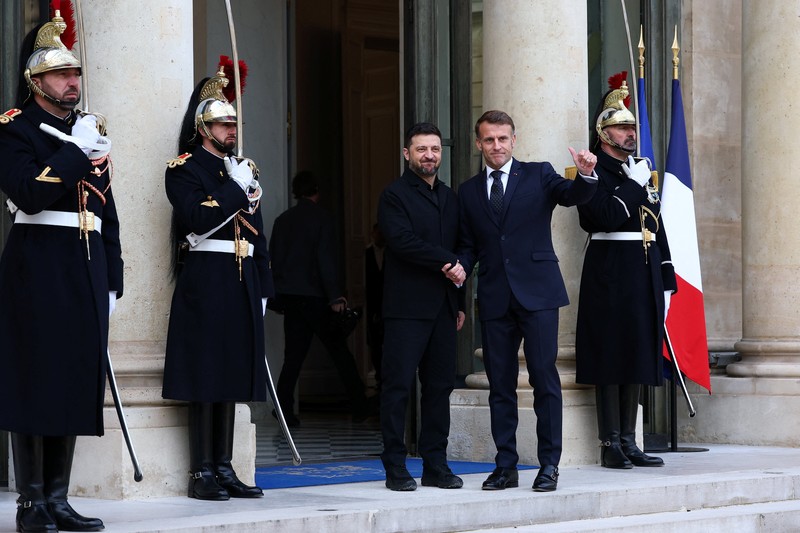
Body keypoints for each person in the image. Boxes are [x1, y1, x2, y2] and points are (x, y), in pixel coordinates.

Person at [0, 11, 121, 532]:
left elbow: (106, 210)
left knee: (74, 376)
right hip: (38, 260)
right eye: (61, 74)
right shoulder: (14, 129)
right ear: (36, 81)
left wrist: (114, 274)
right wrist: (74, 151)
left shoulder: (89, 130)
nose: (73, 81)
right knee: (35, 379)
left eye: (75, 74)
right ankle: (31, 503)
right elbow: (28, 192)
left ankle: (57, 496)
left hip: (86, 261)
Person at [457, 110, 597, 492]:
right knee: (499, 386)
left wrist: (584, 173)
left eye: (503, 139)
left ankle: (549, 464)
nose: (496, 146)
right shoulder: (468, 191)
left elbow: (571, 196)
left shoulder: (538, 174)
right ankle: (506, 466)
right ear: (478, 144)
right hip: (496, 297)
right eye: (489, 140)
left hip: (538, 294)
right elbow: (470, 245)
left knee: (544, 379)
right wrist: (460, 267)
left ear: (513, 140)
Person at [162, 64, 273, 500]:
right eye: (224, 123)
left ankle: (224, 467)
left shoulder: (243, 168)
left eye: (234, 122)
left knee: (231, 374)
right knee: (206, 375)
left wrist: (264, 285)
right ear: (202, 127)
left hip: (242, 278)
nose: (232, 129)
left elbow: (258, 232)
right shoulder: (184, 169)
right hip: (207, 277)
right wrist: (235, 189)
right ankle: (201, 472)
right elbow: (199, 218)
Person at [575, 73, 676, 468]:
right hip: (610, 272)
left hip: (642, 270)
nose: (630, 131)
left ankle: (631, 441)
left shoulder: (638, 169)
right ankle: (609, 444)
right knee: (611, 355)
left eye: (632, 125)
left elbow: (656, 224)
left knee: (636, 352)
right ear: (604, 132)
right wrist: (633, 186)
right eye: (621, 126)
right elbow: (600, 217)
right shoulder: (593, 170)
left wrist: (666, 278)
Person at [377, 122, 466, 492]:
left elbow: (462, 246)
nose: (429, 155)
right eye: (421, 149)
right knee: (397, 388)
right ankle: (395, 466)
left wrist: (459, 302)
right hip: (406, 309)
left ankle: (435, 464)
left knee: (439, 389)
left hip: (444, 309)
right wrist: (447, 262)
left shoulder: (449, 196)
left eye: (434, 149)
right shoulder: (394, 195)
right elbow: (401, 242)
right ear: (406, 153)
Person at [270, 171, 372, 427]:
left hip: (292, 298)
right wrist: (335, 296)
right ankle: (360, 405)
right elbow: (325, 260)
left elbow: (274, 260)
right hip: (317, 298)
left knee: (292, 357)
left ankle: (283, 409)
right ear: (316, 190)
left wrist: (277, 295)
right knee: (340, 354)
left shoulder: (283, 220)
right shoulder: (322, 219)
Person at [365, 223, 386, 391]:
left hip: (388, 304)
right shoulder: (366, 253)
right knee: (374, 344)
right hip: (371, 305)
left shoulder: (391, 254)